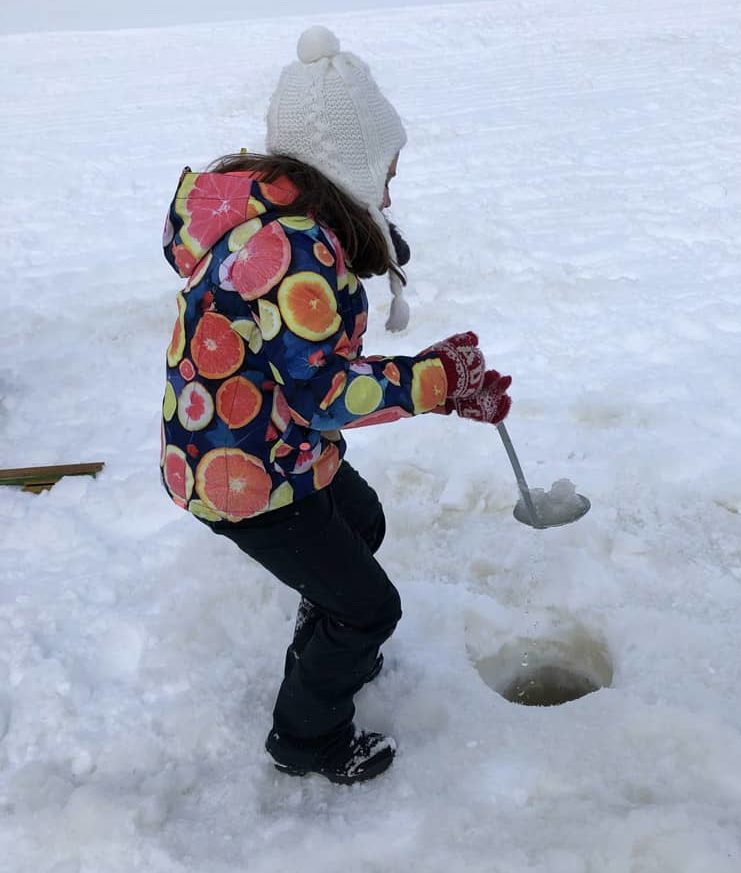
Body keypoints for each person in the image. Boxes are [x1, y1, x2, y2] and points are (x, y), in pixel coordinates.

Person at [159, 25, 512, 785]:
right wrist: (436, 382)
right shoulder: (295, 252)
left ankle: (328, 634)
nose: (390, 184)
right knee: (368, 609)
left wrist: (433, 380)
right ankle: (306, 737)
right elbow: (325, 395)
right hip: (243, 475)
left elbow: (306, 371)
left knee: (364, 524)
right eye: (384, 167)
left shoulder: (281, 226)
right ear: (344, 166)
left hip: (253, 440)